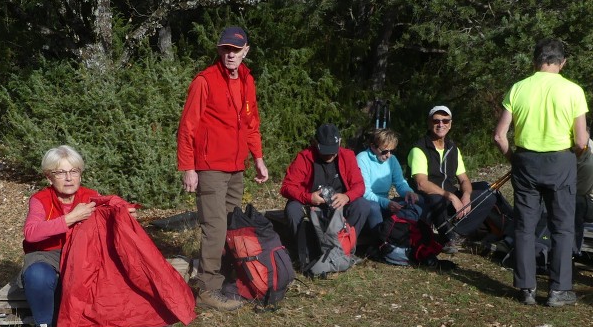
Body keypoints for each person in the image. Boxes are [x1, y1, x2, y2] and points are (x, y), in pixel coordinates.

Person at [177, 25, 269, 311]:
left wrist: (258, 158)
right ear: (219, 50)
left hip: (236, 167)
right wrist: (188, 168)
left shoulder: (247, 80)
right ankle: (207, 287)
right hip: (209, 167)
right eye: (225, 49)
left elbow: (251, 123)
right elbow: (187, 128)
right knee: (214, 227)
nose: (230, 55)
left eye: (236, 49)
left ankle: (230, 277)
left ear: (246, 51)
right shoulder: (204, 81)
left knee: (231, 224)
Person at [493, 38, 589, 307]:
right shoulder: (573, 91)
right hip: (561, 161)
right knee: (561, 225)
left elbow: (500, 136)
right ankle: (559, 290)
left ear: (535, 61)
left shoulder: (518, 88)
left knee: (524, 225)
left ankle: (526, 287)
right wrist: (574, 157)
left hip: (526, 160)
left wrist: (515, 159)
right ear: (563, 62)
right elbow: (581, 141)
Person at [20, 146, 115, 327]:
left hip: (82, 253)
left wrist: (124, 214)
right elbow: (31, 233)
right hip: (47, 254)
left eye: (74, 171)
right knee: (37, 276)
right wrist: (70, 218)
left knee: (97, 270)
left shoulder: (91, 196)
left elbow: (110, 219)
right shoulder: (40, 199)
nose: (69, 178)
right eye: (61, 173)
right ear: (49, 176)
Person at [407, 106, 495, 253]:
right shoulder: (419, 149)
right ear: (429, 123)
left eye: (445, 120)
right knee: (436, 198)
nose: (441, 124)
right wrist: (452, 196)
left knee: (488, 195)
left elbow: (464, 180)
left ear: (450, 123)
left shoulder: (453, 149)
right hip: (430, 198)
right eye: (436, 121)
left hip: (450, 197)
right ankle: (449, 236)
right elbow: (421, 184)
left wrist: (466, 195)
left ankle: (457, 234)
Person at [280, 123, 369, 268]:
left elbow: (359, 186)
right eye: (325, 151)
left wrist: (346, 196)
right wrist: (309, 197)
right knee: (292, 209)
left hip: (338, 205)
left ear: (339, 143)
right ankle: (304, 252)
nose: (329, 155)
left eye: (333, 151)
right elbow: (286, 187)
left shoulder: (347, 156)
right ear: (316, 143)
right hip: (311, 205)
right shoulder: (304, 157)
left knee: (362, 205)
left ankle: (344, 247)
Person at [355, 128, 420, 242]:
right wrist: (387, 203)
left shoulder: (392, 160)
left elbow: (400, 183)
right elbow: (365, 192)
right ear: (373, 146)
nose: (388, 155)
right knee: (373, 207)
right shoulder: (362, 159)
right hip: (369, 203)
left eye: (392, 151)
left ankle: (410, 238)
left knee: (415, 202)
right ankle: (380, 242)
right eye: (384, 151)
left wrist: (408, 192)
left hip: (386, 202)